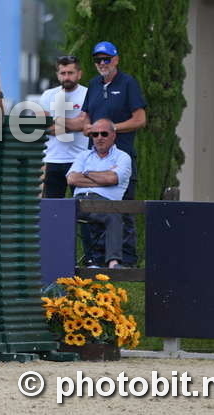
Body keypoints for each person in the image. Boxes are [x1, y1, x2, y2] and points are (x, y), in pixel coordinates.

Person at [58, 41, 146, 265]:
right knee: (90, 210)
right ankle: (94, 260)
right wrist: (54, 122)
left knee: (123, 210)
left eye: (106, 59)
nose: (102, 63)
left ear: (116, 60)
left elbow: (140, 119)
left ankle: (125, 262)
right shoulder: (94, 84)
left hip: (121, 155)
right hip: (94, 157)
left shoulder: (128, 83)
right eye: (98, 60)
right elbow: (84, 119)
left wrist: (113, 128)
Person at [66, 119, 132, 269]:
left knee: (114, 214)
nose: (99, 137)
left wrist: (86, 173)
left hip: (105, 203)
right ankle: (60, 262)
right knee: (55, 212)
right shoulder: (83, 155)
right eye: (95, 134)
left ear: (113, 135)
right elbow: (72, 179)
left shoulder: (123, 157)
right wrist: (103, 178)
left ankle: (113, 263)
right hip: (79, 202)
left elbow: (112, 179)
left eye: (104, 134)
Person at [39, 55, 88, 198]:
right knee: (51, 206)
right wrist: (74, 123)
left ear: (79, 74)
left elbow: (84, 123)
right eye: (63, 73)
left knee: (82, 205)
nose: (66, 77)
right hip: (52, 159)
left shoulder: (87, 94)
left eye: (70, 73)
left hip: (80, 159)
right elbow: (42, 126)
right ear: (57, 75)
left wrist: (56, 121)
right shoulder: (48, 95)